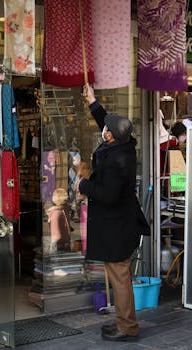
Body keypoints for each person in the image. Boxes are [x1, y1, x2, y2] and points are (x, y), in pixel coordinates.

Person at [79, 83, 150, 342]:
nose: (104, 128)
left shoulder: (117, 159)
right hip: (118, 227)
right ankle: (123, 322)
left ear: (110, 136)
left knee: (120, 279)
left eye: (106, 128)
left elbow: (107, 194)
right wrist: (93, 102)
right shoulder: (123, 144)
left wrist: (83, 185)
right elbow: (107, 124)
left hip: (117, 228)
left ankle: (128, 327)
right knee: (120, 277)